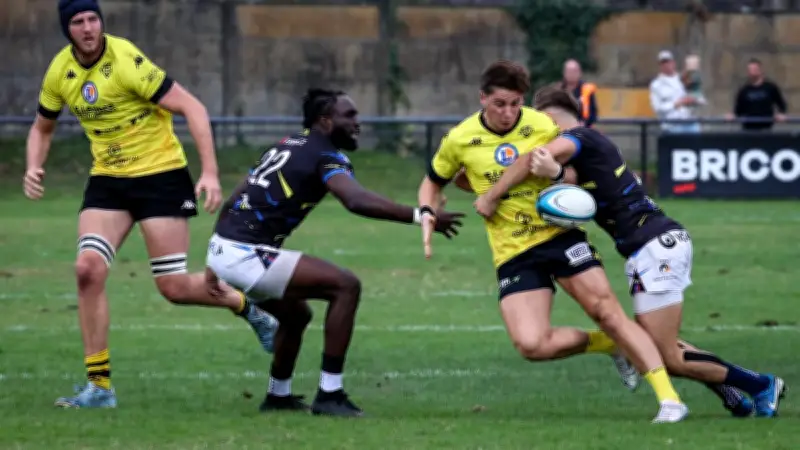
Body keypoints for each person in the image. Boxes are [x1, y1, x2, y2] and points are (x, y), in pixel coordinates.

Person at [23, 0, 278, 408]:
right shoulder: (60, 71)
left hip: (160, 175)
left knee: (173, 287)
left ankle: (249, 308)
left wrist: (209, 172)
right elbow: (42, 127)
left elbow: (192, 106)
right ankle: (99, 387)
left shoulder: (125, 60)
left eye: (93, 18)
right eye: (78, 22)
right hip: (108, 181)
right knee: (87, 270)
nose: (88, 27)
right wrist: (34, 165)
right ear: (66, 29)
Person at [483, 85, 786, 418]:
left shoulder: (582, 137)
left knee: (661, 352)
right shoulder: (583, 157)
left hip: (657, 245)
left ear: (548, 118)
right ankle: (729, 392)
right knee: (651, 343)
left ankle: (760, 384)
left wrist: (501, 190)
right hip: (646, 250)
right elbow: (565, 182)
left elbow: (537, 160)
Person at [418, 60, 688, 423]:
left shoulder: (541, 125)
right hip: (512, 250)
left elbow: (572, 174)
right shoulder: (460, 139)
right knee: (531, 344)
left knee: (607, 311)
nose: (508, 113)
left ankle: (670, 400)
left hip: (559, 236)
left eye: (515, 103)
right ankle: (610, 345)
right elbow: (434, 180)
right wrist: (426, 210)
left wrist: (527, 185)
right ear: (482, 98)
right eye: (499, 104)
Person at [205, 88, 464, 417]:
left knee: (296, 315)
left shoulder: (289, 143)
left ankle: (278, 396)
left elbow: (237, 195)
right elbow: (355, 200)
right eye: (350, 116)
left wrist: (215, 258)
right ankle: (330, 394)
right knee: (345, 286)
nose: (358, 123)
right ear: (325, 122)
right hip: (245, 253)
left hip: (226, 249)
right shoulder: (325, 155)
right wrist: (421, 215)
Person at [725, 58, 788, 131]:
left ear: (760, 70)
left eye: (754, 69)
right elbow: (738, 109)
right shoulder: (744, 90)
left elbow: (781, 104)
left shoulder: (770, 88)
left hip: (766, 127)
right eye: (750, 70)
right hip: (748, 128)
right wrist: (732, 115)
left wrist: (781, 114)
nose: (752, 72)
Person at [649, 50, 700, 133]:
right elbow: (657, 108)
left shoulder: (683, 79)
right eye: (663, 63)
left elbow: (696, 97)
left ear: (673, 63)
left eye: (668, 62)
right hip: (671, 126)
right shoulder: (656, 85)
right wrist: (675, 104)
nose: (666, 65)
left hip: (689, 122)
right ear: (660, 66)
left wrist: (693, 100)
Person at [561, 59, 598, 128]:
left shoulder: (587, 90)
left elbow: (593, 114)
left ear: (580, 72)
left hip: (582, 129)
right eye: (569, 71)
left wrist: (584, 123)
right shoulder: (558, 90)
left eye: (574, 71)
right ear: (564, 73)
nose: (571, 74)